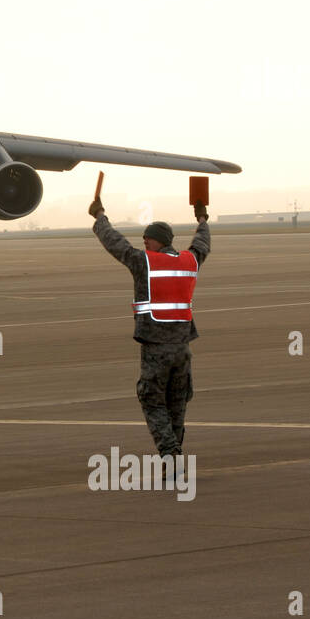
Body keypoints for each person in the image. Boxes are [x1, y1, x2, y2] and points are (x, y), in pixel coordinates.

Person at [88, 195, 210, 462]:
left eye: (149, 238)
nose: (145, 241)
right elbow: (202, 244)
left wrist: (99, 217)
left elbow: (115, 244)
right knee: (177, 406)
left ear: (161, 241)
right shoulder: (190, 262)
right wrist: (202, 218)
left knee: (153, 403)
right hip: (182, 350)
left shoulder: (144, 263)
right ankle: (175, 458)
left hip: (157, 350)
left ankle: (170, 454)